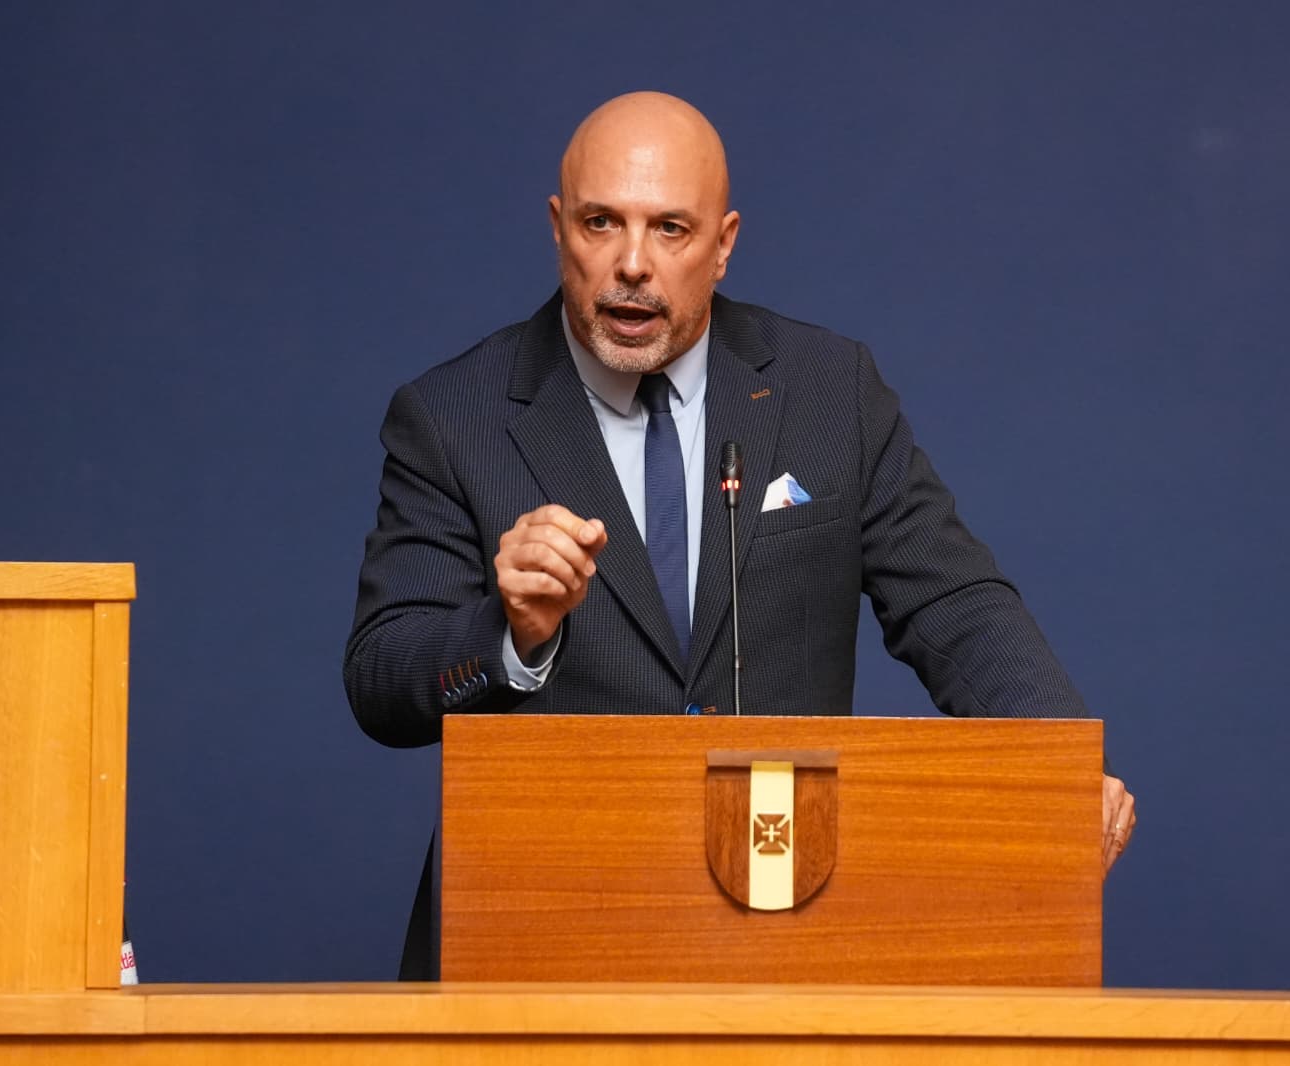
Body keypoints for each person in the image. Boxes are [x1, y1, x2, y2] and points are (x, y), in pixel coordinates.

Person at [344, 91, 1136, 979]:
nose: (632, 263)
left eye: (670, 230)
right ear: (558, 229)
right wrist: (510, 631)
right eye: (602, 223)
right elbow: (380, 681)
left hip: (779, 925)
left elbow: (952, 601)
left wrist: (1062, 768)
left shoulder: (829, 391)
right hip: (542, 937)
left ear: (723, 245)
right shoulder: (453, 416)